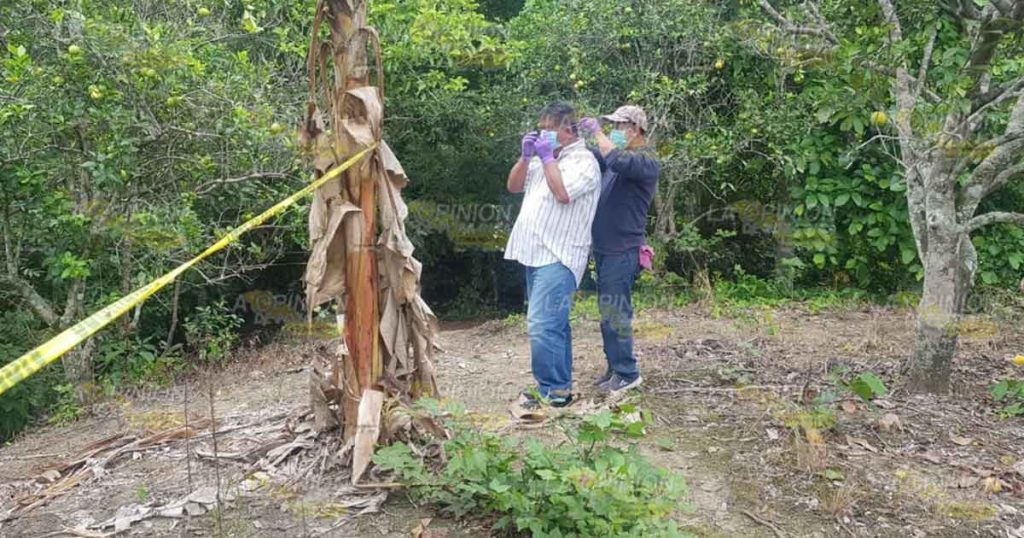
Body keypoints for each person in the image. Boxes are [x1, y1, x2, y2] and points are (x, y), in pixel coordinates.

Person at [504, 101, 602, 408]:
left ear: (568, 129)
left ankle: (552, 390)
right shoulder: (542, 159)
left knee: (541, 324)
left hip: (559, 256)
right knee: (553, 324)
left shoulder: (583, 161)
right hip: (534, 252)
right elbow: (513, 186)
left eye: (550, 128)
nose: (543, 133)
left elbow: (563, 194)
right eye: (541, 127)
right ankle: (557, 387)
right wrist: (525, 157)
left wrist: (547, 159)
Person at [578, 105, 661, 393]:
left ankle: (628, 373)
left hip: (623, 250)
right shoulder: (618, 162)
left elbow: (615, 158)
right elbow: (598, 158)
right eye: (610, 126)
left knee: (617, 314)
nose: (614, 130)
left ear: (635, 129)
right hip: (605, 249)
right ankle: (614, 369)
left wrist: (598, 132)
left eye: (618, 125)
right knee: (608, 314)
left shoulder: (646, 160)